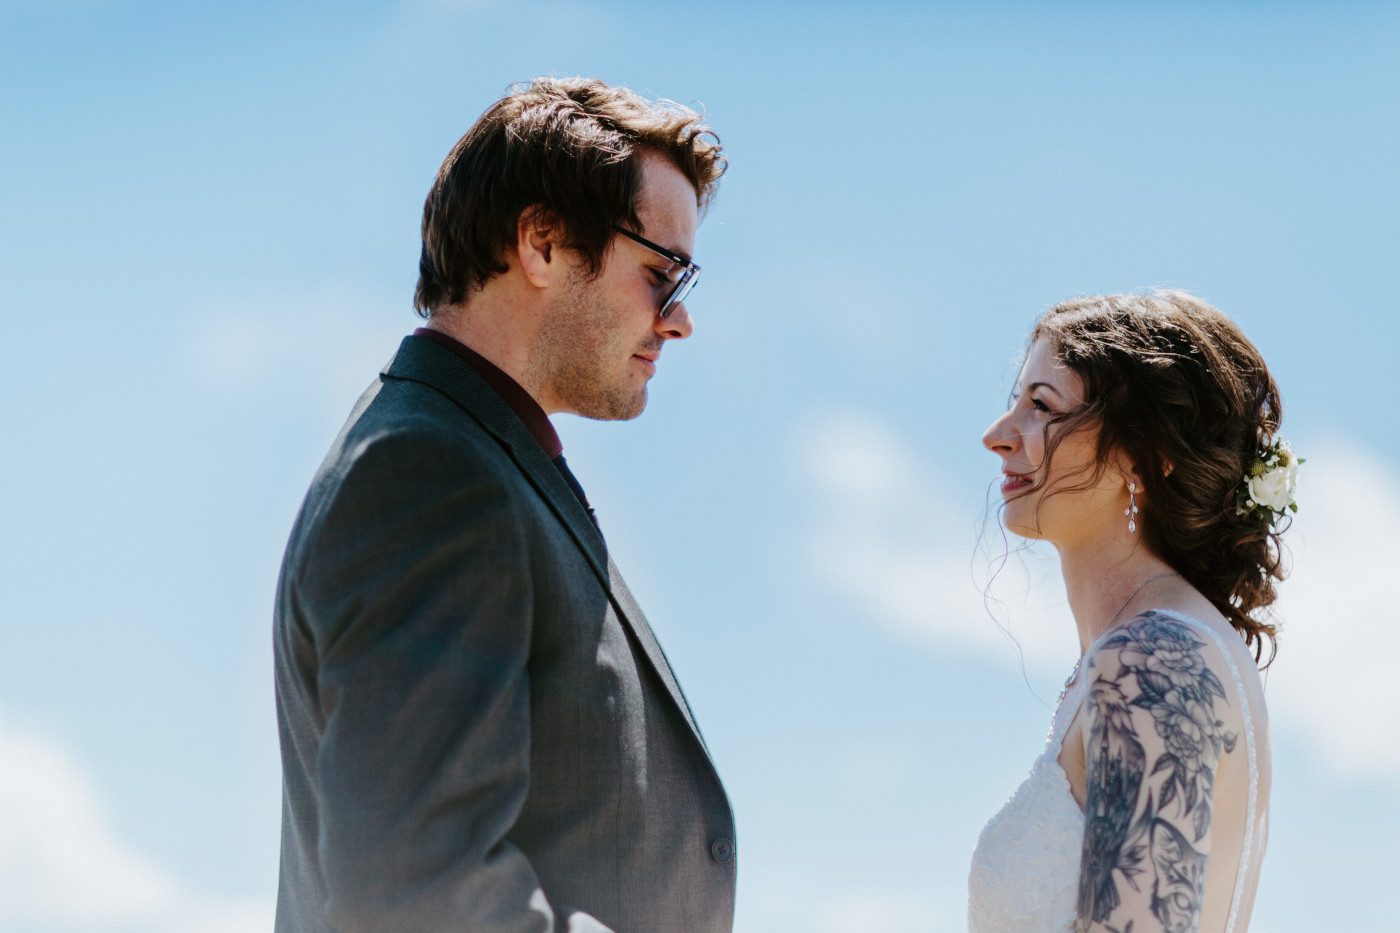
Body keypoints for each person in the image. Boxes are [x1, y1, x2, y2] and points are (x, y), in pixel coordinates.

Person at [272, 77, 736, 933]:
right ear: (544, 242)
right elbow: (416, 888)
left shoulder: (464, 458)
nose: (681, 322)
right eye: (663, 275)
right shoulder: (425, 473)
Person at [969, 291, 1293, 933]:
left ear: (1142, 455)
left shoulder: (1151, 661)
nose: (998, 435)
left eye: (1041, 406)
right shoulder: (1175, 644)